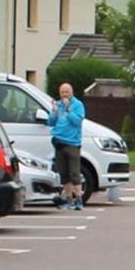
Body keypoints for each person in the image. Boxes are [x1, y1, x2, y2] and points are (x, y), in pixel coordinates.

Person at [47, 82, 85, 210]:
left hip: (73, 143)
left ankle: (78, 199)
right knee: (63, 174)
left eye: (67, 92)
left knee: (74, 173)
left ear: (71, 92)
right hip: (59, 142)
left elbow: (77, 121)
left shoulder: (78, 105)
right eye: (62, 92)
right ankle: (68, 199)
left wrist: (68, 109)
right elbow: (50, 122)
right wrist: (54, 111)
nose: (64, 95)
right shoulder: (58, 105)